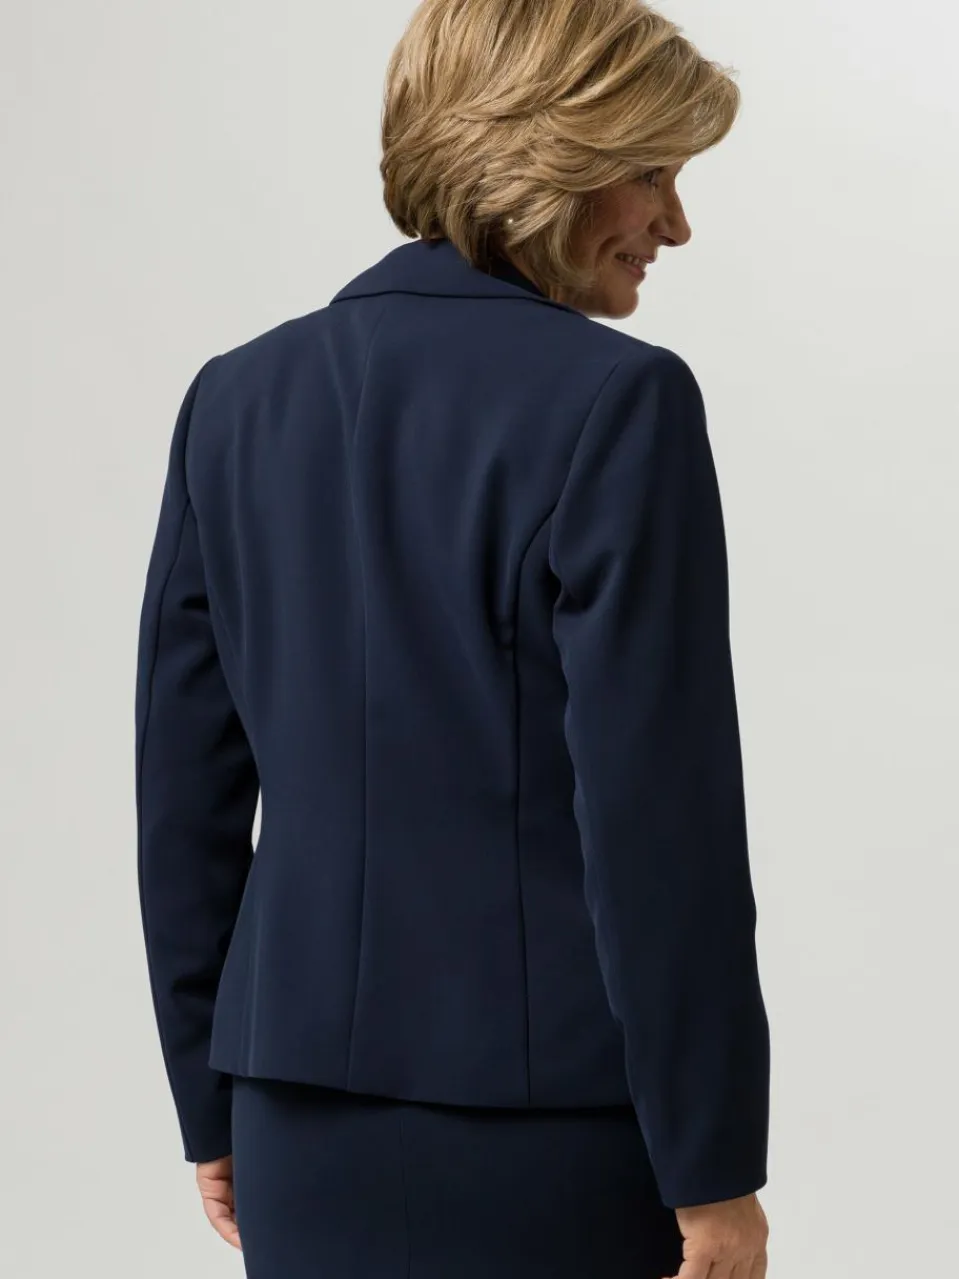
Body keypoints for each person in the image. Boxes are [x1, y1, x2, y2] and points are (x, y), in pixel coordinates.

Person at [134, 1, 771, 1275]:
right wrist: (712, 1167)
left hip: (293, 1121)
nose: (675, 225)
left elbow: (183, 798)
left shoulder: (235, 398)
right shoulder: (619, 400)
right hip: (553, 1133)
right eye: (651, 172)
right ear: (550, 153)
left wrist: (210, 1100)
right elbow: (658, 823)